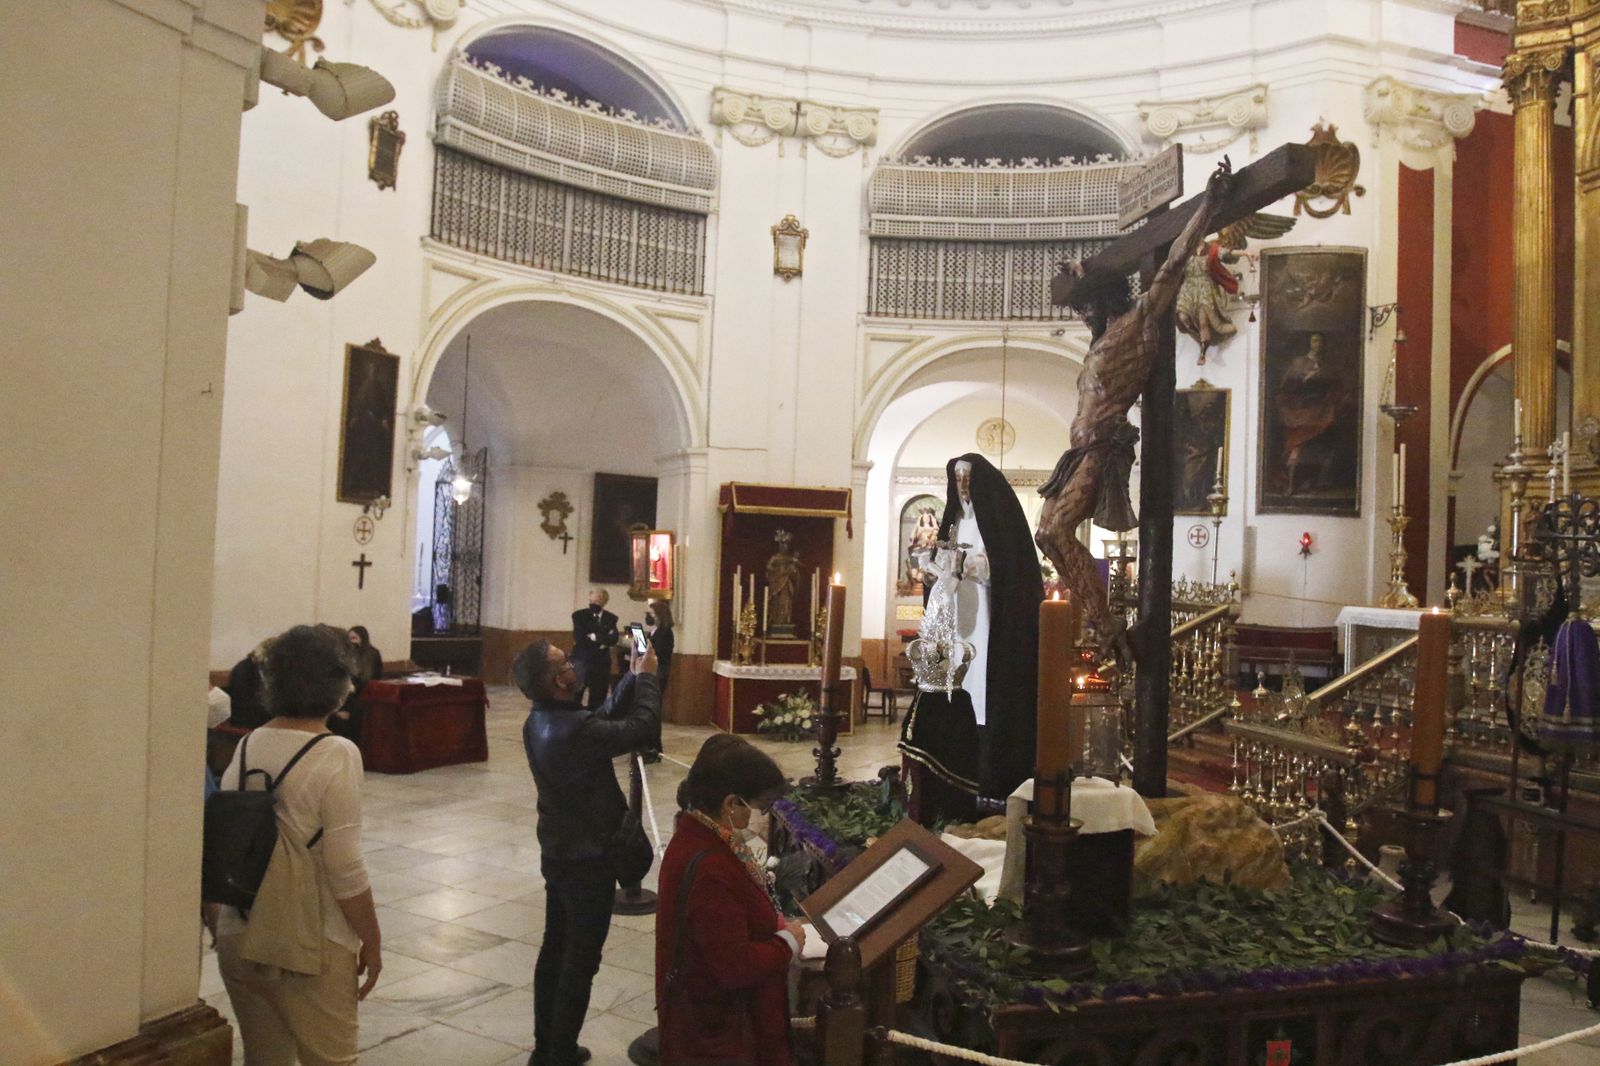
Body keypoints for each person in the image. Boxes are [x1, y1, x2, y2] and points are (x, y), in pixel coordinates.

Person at [1035, 159, 1234, 663]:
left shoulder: (1136, 325)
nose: (1082, 316)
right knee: (1046, 534)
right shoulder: (1101, 340)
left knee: (1059, 531)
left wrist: (1209, 206)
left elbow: (1171, 265)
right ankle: (1098, 621)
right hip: (1075, 452)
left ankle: (1107, 626)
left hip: (1101, 445)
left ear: (1105, 302)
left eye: (1086, 307)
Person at [207, 625, 382, 1066]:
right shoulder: (335, 752)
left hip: (239, 932)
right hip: (307, 943)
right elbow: (345, 870)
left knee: (265, 1058)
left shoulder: (248, 743)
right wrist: (372, 939)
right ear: (335, 683)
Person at [517, 635, 660, 1066]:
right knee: (580, 960)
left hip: (558, 851)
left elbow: (600, 721)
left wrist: (632, 680)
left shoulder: (541, 719)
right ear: (559, 682)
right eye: (565, 663)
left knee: (554, 949)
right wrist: (650, 682)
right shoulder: (572, 728)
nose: (575, 665)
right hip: (588, 860)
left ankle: (547, 1046)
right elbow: (639, 729)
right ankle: (559, 1053)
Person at [899, 454, 1043, 820]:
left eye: (967, 477)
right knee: (953, 688)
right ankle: (949, 763)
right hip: (953, 621)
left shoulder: (999, 517)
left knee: (982, 686)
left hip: (990, 622)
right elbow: (941, 564)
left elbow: (1014, 564)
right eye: (957, 477)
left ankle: (991, 769)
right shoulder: (952, 521)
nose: (962, 485)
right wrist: (934, 571)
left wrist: (976, 566)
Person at [656, 735, 801, 1066]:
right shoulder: (710, 866)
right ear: (731, 803)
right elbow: (735, 966)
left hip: (711, 1017)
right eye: (758, 806)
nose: (759, 816)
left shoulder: (698, 832)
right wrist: (787, 943)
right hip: (719, 1033)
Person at [330, 626, 384, 745]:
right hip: (347, 695)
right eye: (349, 638)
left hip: (365, 694)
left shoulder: (372, 653)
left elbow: (374, 676)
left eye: (355, 637)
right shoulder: (345, 653)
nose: (352, 641)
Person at [570, 588, 620, 711]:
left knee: (598, 696)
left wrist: (594, 636)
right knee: (576, 694)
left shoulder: (611, 618)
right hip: (582, 660)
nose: (593, 604)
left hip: (601, 663)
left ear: (604, 602)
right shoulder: (579, 616)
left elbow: (613, 639)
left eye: (596, 602)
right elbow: (580, 638)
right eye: (591, 601)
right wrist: (602, 640)